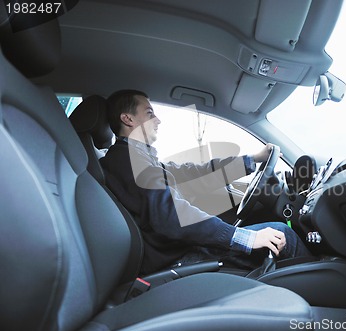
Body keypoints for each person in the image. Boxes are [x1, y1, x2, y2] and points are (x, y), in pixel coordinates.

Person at [101, 89, 311, 275]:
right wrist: (244, 237)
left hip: (173, 250)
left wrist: (252, 160)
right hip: (173, 260)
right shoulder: (130, 160)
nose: (158, 119)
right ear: (128, 119)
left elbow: (193, 173)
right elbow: (172, 216)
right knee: (283, 234)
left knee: (273, 235)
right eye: (149, 113)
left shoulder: (137, 157)